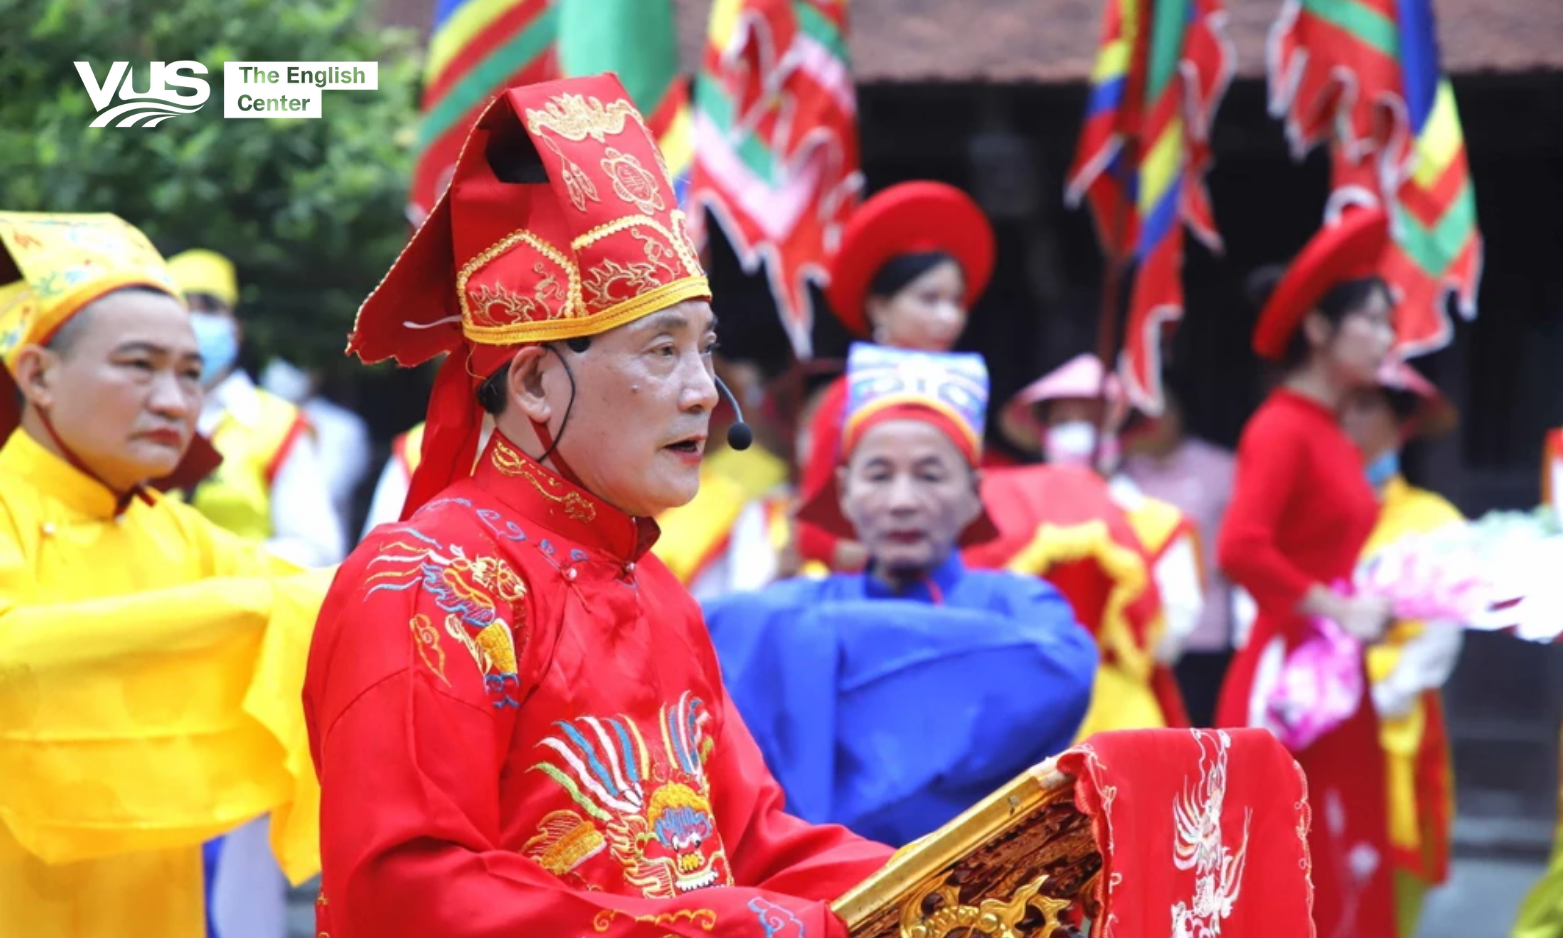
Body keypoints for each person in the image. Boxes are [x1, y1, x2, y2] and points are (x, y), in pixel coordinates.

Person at [303, 74, 894, 938]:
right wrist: (731, 927)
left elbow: (753, 846)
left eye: (705, 351)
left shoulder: (655, 591)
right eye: (661, 351)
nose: (703, 393)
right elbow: (407, 890)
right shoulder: (432, 584)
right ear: (537, 382)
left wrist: (977, 867)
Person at [0, 212, 325, 937]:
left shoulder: (176, 532)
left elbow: (322, 612)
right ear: (38, 374)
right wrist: (245, 612)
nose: (176, 402)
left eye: (189, 373)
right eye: (139, 366)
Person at [701, 344, 1097, 846]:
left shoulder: (1026, 607)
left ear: (974, 492)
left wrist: (813, 647)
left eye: (930, 475)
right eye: (879, 475)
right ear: (844, 491)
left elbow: (1063, 669)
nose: (902, 501)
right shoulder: (789, 606)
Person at [1216, 208, 1399, 938]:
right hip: (1290, 680)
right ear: (1320, 329)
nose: (1385, 338)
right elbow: (1239, 548)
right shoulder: (1281, 427)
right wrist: (1337, 608)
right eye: (1373, 321)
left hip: (1333, 667)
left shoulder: (1330, 431)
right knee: (1293, 859)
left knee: (1346, 851)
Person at [797, 182, 996, 572]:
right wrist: (898, 562)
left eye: (956, 301)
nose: (949, 317)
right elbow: (811, 535)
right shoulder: (845, 399)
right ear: (879, 306)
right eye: (929, 299)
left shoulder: (966, 390)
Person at [999, 352, 1199, 729]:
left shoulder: (1158, 522)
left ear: (1121, 432)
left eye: (1093, 421)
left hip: (1120, 712)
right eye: (1063, 422)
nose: (1078, 433)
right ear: (1043, 431)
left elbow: (1171, 637)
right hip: (1023, 705)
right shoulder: (1005, 511)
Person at [1341, 360, 1464, 937]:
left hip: (1397, 713)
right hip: (1309, 716)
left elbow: (1441, 630)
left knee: (1391, 884)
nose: (1347, 419)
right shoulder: (1307, 511)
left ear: (1401, 423)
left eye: (1366, 406)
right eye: (1343, 404)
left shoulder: (1433, 522)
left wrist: (1388, 692)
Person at [166, 250, 346, 567]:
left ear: (236, 329)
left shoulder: (277, 424)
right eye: (182, 308)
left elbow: (318, 550)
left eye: (209, 308)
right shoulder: (128, 414)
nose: (194, 322)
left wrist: (218, 564)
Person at [1121, 379, 1239, 728]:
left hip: (1206, 628)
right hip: (1139, 632)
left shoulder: (1221, 468)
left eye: (1163, 409)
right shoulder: (1121, 471)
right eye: (1144, 413)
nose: (1155, 420)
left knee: (1199, 734)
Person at [260, 357, 374, 537]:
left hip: (320, 544)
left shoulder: (345, 427)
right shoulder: (247, 419)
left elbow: (329, 489)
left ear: (317, 375)